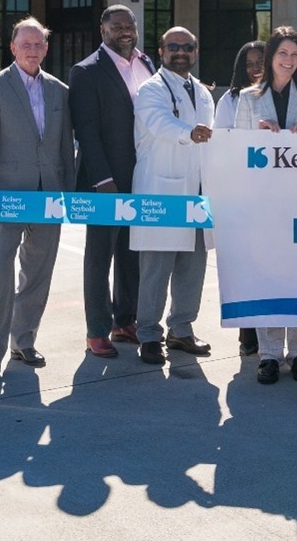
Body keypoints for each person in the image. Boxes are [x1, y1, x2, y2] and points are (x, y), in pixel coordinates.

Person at [0, 17, 74, 385]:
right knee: (0, 270)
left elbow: (64, 148)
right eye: (25, 44)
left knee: (38, 273)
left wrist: (69, 194)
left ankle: (23, 341)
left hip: (48, 197)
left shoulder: (59, 90)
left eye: (39, 44)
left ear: (46, 48)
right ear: (12, 48)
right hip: (6, 197)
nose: (33, 50)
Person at [234, 26, 297, 384]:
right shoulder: (248, 99)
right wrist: (256, 137)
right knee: (268, 277)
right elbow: (237, 153)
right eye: (282, 54)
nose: (289, 61)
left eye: (294, 55)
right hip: (263, 203)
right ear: (270, 57)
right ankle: (270, 355)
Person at [69, 5, 154, 361]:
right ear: (102, 29)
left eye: (129, 25)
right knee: (100, 254)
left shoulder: (146, 64)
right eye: (117, 25)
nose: (125, 31)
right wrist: (103, 179)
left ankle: (125, 320)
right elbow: (85, 131)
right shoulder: (86, 71)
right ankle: (97, 330)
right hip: (103, 180)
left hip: (142, 174)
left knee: (131, 251)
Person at [131, 26, 216, 367]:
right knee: (156, 267)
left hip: (198, 192)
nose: (181, 52)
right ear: (161, 51)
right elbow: (159, 122)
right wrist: (189, 132)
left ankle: (181, 328)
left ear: (196, 51)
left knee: (193, 265)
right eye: (174, 47)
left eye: (188, 47)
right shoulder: (150, 88)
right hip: (161, 191)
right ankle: (149, 335)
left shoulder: (204, 92)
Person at [213, 39, 267, 358]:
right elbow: (221, 147)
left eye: (261, 61)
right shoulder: (230, 101)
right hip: (243, 197)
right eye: (249, 63)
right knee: (246, 267)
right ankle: (248, 333)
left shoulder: (284, 97)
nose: (256, 68)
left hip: (277, 198)